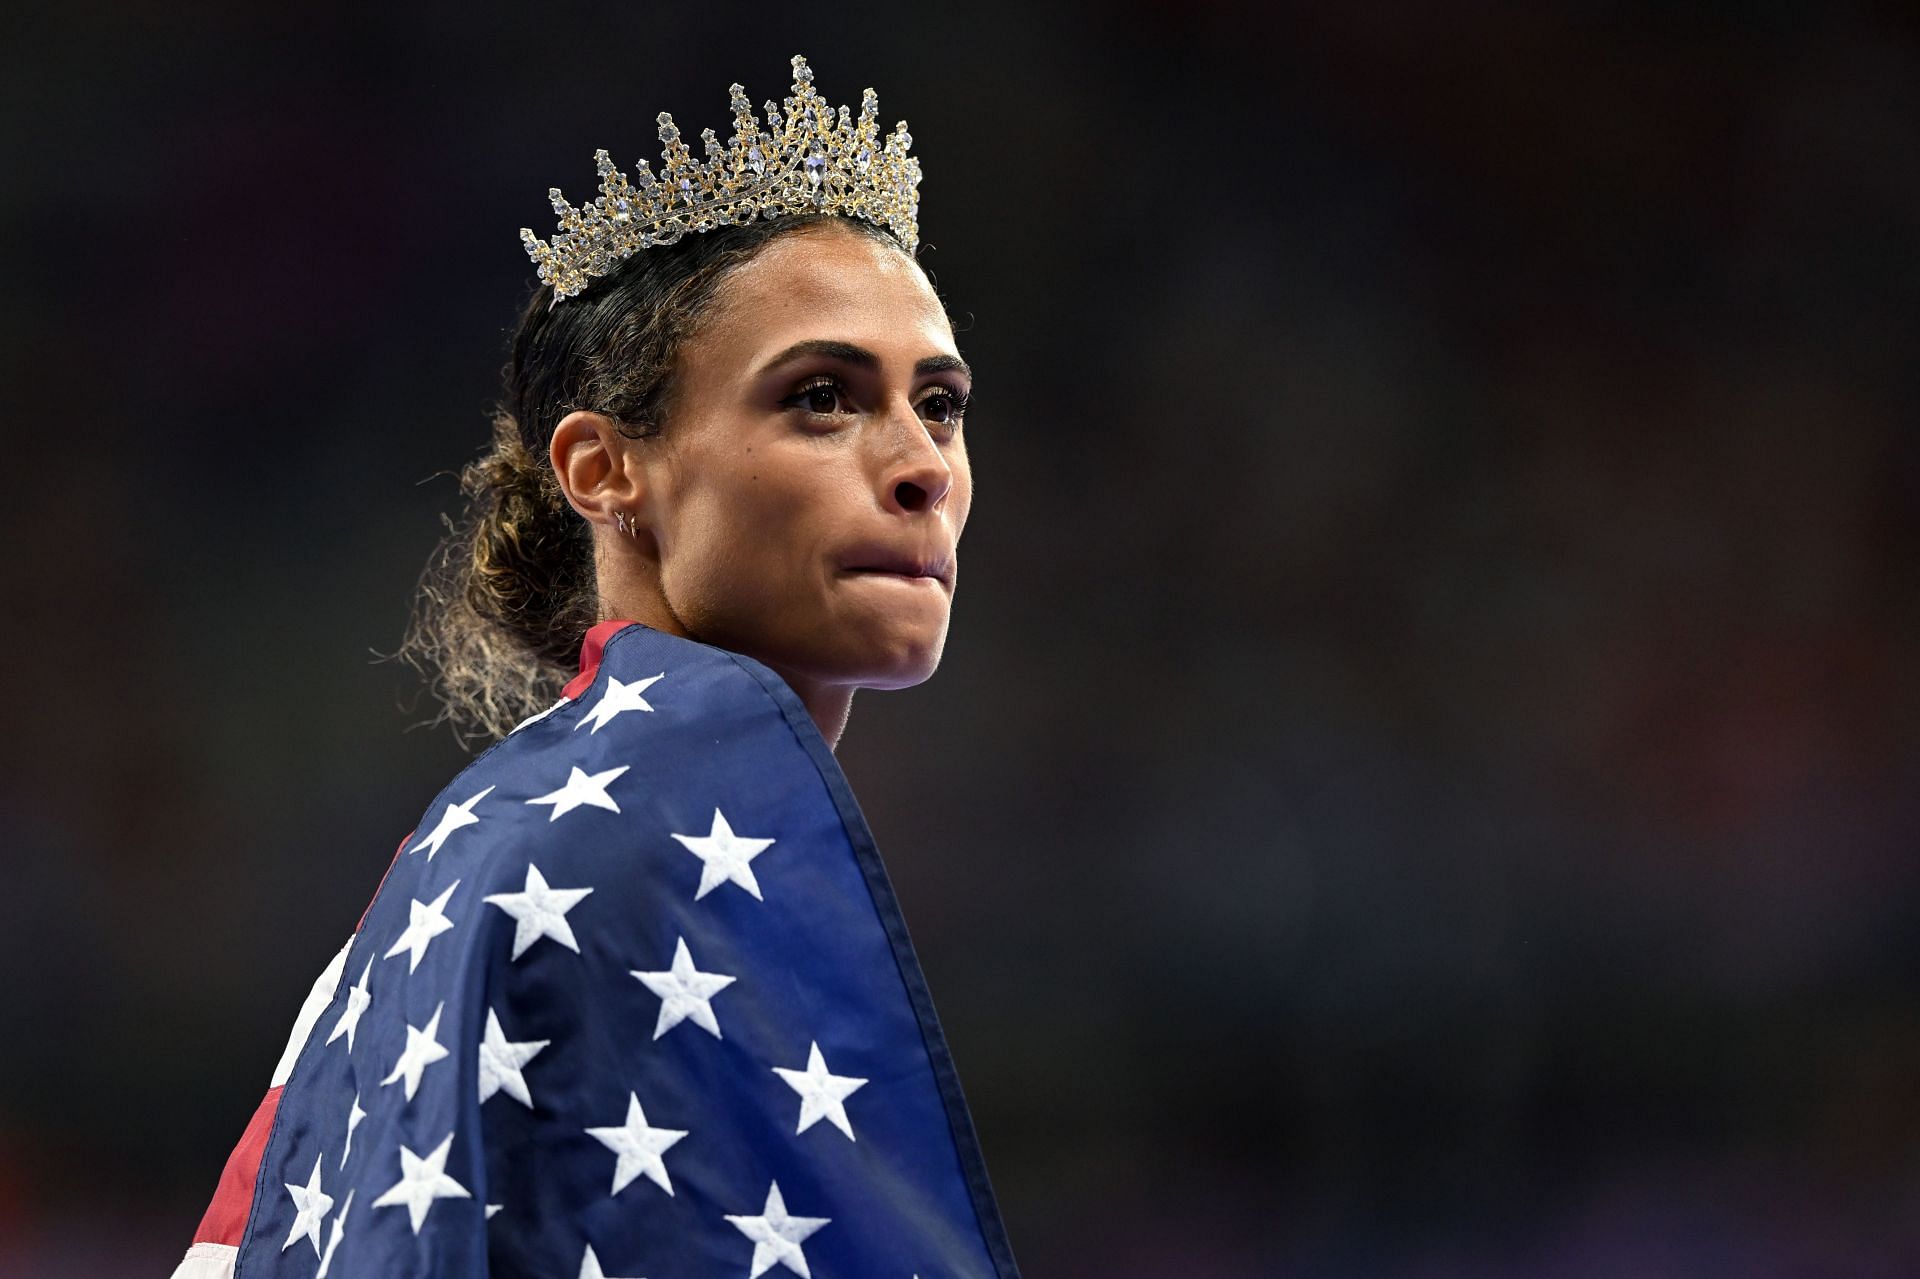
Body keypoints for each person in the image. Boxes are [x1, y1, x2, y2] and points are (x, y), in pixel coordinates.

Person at [169, 55, 1019, 1279]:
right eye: (823, 397)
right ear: (604, 469)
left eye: (939, 404)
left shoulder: (540, 827)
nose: (922, 464)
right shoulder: (608, 845)